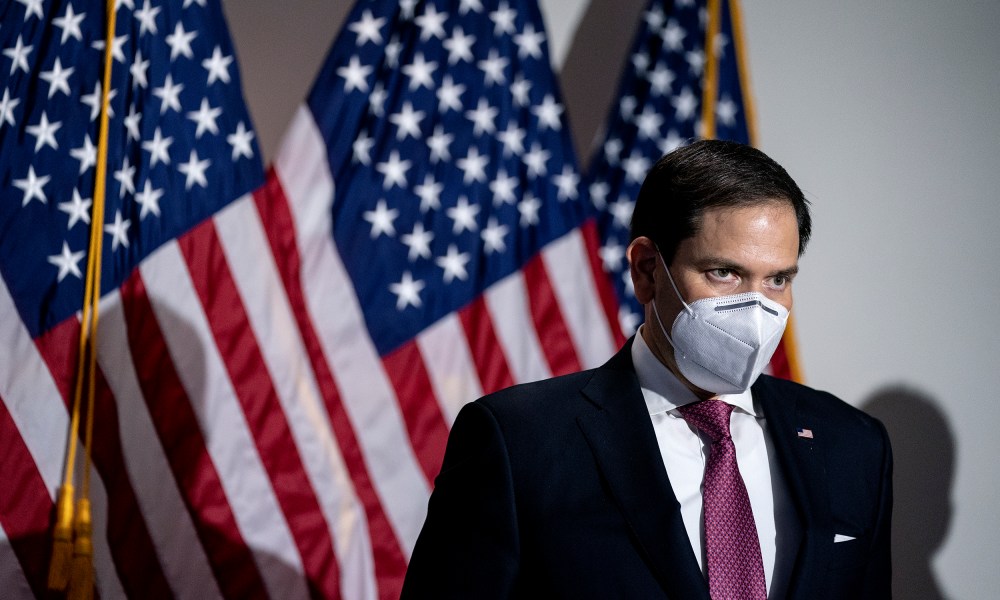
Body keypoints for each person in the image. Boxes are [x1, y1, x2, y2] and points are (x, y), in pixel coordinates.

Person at [401, 140, 892, 599]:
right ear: (646, 269)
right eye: (724, 272)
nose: (756, 307)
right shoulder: (518, 443)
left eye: (778, 279)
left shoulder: (852, 445)